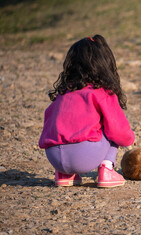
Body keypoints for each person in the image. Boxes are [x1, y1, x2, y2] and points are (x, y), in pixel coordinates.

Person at [39, 35, 135, 188]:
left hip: (54, 157)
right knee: (110, 125)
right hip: (85, 156)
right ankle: (106, 170)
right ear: (103, 64)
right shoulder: (102, 92)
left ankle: (64, 175)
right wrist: (130, 139)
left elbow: (49, 121)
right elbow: (119, 131)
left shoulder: (63, 93)